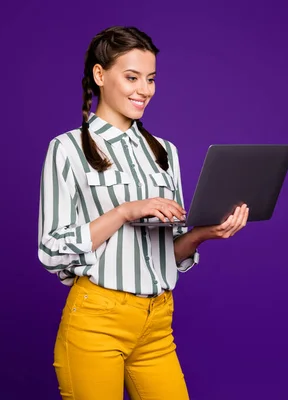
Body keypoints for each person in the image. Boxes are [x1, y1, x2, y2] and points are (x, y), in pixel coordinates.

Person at [38, 26, 249, 400]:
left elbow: (159, 253)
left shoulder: (164, 152)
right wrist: (123, 211)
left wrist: (203, 233)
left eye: (150, 79)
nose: (144, 90)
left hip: (157, 322)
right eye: (132, 77)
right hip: (97, 319)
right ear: (100, 76)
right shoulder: (68, 149)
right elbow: (52, 249)